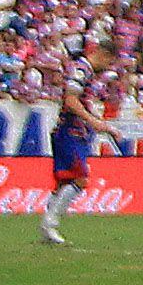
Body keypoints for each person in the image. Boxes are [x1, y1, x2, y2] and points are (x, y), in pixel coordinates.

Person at [39, 84, 98, 246]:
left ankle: (48, 228)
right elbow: (70, 100)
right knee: (81, 179)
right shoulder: (81, 71)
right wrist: (92, 120)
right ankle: (50, 224)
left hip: (75, 138)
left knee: (63, 183)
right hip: (69, 137)